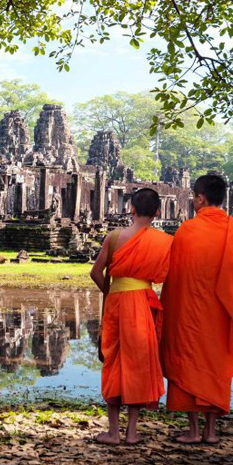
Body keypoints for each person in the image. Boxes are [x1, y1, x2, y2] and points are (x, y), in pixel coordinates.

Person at [161, 174, 233, 444]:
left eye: (194, 197)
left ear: (200, 198)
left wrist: (168, 310)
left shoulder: (187, 230)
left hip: (189, 313)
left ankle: (194, 431)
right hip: (222, 315)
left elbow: (176, 278)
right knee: (215, 367)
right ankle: (210, 431)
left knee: (188, 364)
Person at [89, 188, 173, 445]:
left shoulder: (114, 237)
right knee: (138, 363)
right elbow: (166, 275)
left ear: (131, 209)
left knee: (114, 360)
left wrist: (113, 290)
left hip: (117, 303)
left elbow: (96, 273)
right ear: (158, 212)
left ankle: (113, 432)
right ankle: (132, 432)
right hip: (143, 303)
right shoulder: (165, 241)